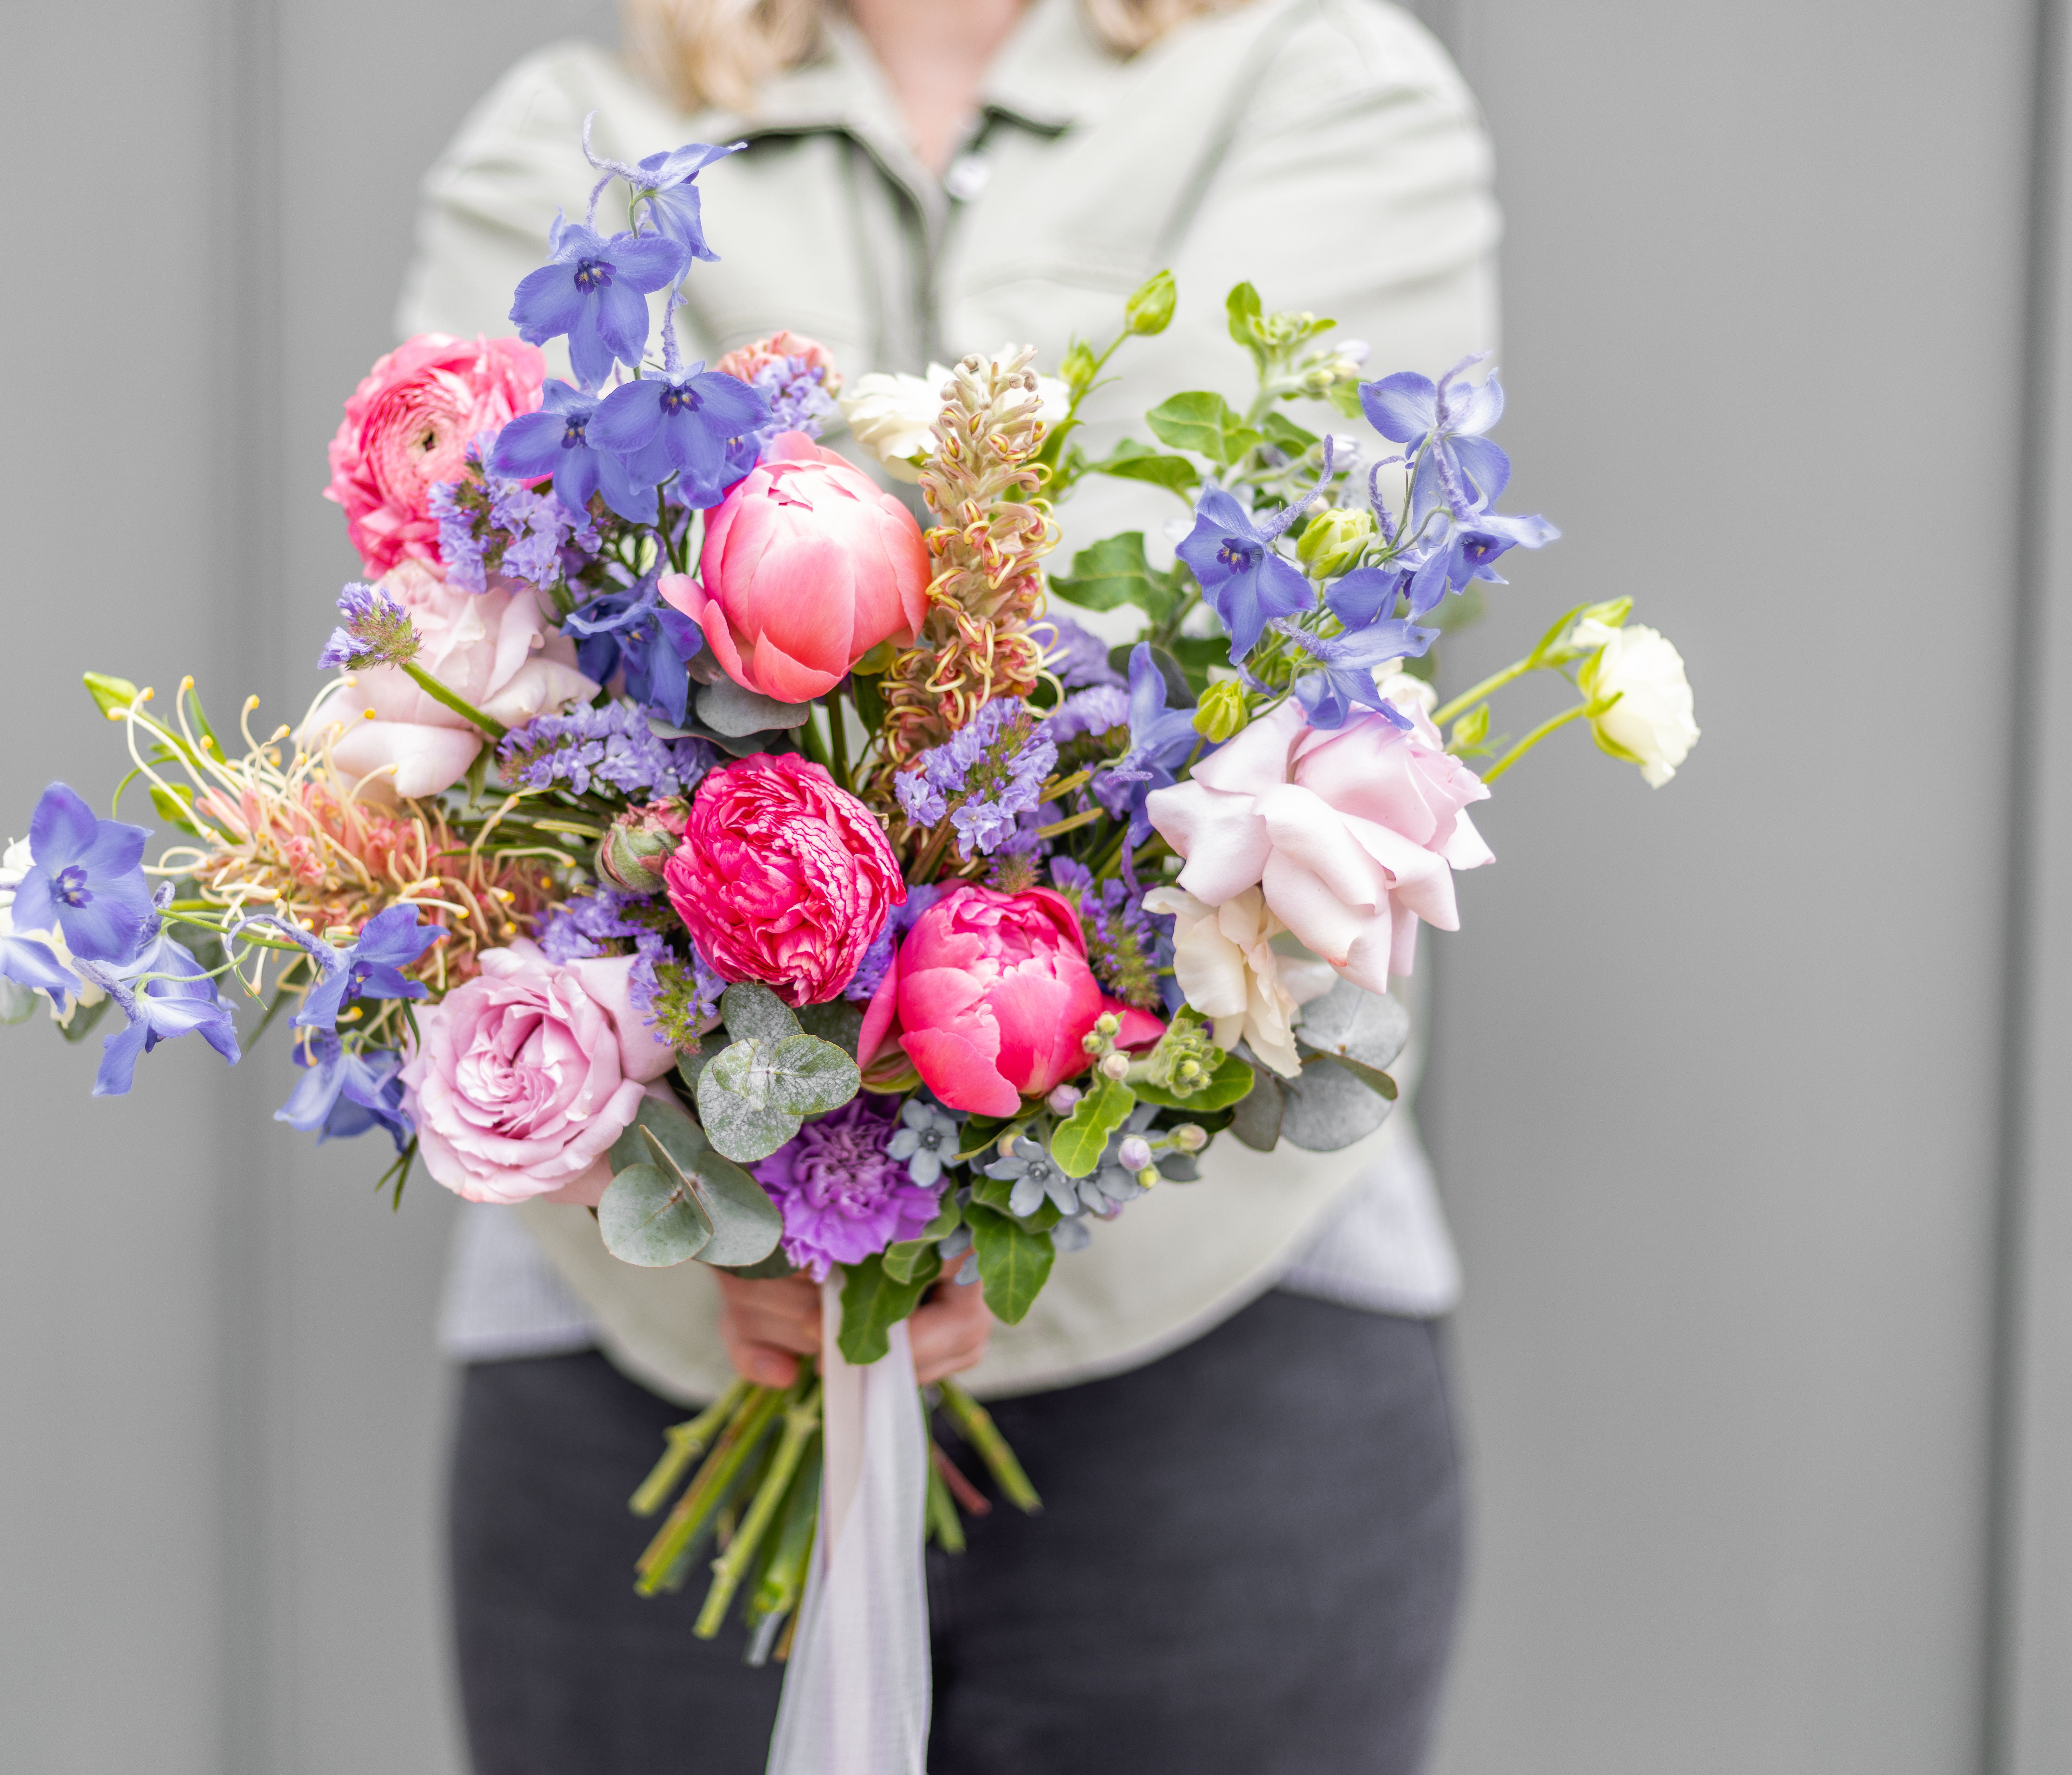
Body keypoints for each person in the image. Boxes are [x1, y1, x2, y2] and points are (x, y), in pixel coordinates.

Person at [398, 2, 1493, 1768]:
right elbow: (469, 659)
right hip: (653, 1330)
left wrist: (726, 564)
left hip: (1216, 1332)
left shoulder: (1316, 79)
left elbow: (1228, 615)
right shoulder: (580, 128)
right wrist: (739, 1209)